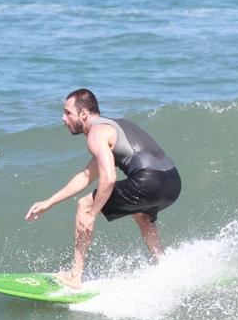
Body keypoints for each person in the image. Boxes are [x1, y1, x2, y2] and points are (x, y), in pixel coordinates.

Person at [25, 89, 181, 289]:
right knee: (142, 215)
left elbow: (108, 178)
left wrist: (92, 213)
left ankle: (75, 276)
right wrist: (49, 203)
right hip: (172, 182)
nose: (63, 118)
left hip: (148, 179)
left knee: (84, 206)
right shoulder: (113, 128)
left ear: (83, 114)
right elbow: (85, 176)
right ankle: (165, 266)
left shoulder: (96, 134)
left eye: (67, 113)